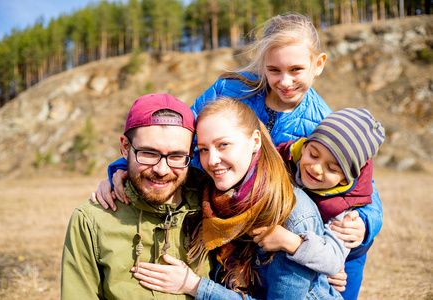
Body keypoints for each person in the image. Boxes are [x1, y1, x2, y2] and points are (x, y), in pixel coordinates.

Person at [96, 14, 382, 299]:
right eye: (274, 70)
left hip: (296, 228)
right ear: (263, 65)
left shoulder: (322, 122)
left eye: (296, 69)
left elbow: (360, 187)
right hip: (239, 218)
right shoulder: (231, 91)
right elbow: (178, 134)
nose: (285, 82)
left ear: (317, 64)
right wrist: (126, 166)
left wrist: (364, 224)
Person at [132, 98, 343, 299]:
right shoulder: (211, 193)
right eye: (203, 149)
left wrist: (194, 286)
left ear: (255, 142)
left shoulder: (291, 214)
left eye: (223, 145)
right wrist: (121, 174)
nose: (212, 160)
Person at [61, 93, 213, 299]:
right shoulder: (90, 221)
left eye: (177, 156)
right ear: (125, 148)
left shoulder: (217, 210)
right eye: (149, 153)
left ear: (191, 155)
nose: (161, 169)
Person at [250, 108, 385, 273]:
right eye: (313, 155)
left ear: (345, 179)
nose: (316, 168)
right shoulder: (284, 159)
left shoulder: (343, 210)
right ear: (305, 147)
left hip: (345, 270)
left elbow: (333, 261)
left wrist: (289, 242)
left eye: (331, 168)